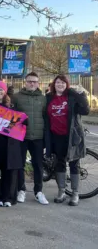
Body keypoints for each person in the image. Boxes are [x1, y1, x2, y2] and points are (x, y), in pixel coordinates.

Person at [44, 75, 90, 206]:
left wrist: (79, 94)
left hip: (71, 136)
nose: (60, 84)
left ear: (67, 84)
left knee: (74, 164)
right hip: (56, 136)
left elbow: (85, 110)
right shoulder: (49, 98)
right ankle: (61, 191)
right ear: (54, 84)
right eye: (58, 82)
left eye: (63, 82)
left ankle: (75, 193)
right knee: (60, 163)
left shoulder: (71, 97)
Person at [12, 72, 49, 205]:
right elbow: (11, 117)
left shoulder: (43, 98)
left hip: (38, 137)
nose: (32, 83)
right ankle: (21, 189)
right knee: (20, 164)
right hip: (21, 137)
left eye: (34, 81)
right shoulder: (16, 97)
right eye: (29, 81)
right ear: (25, 82)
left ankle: (38, 191)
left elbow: (46, 117)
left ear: (38, 83)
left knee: (38, 165)